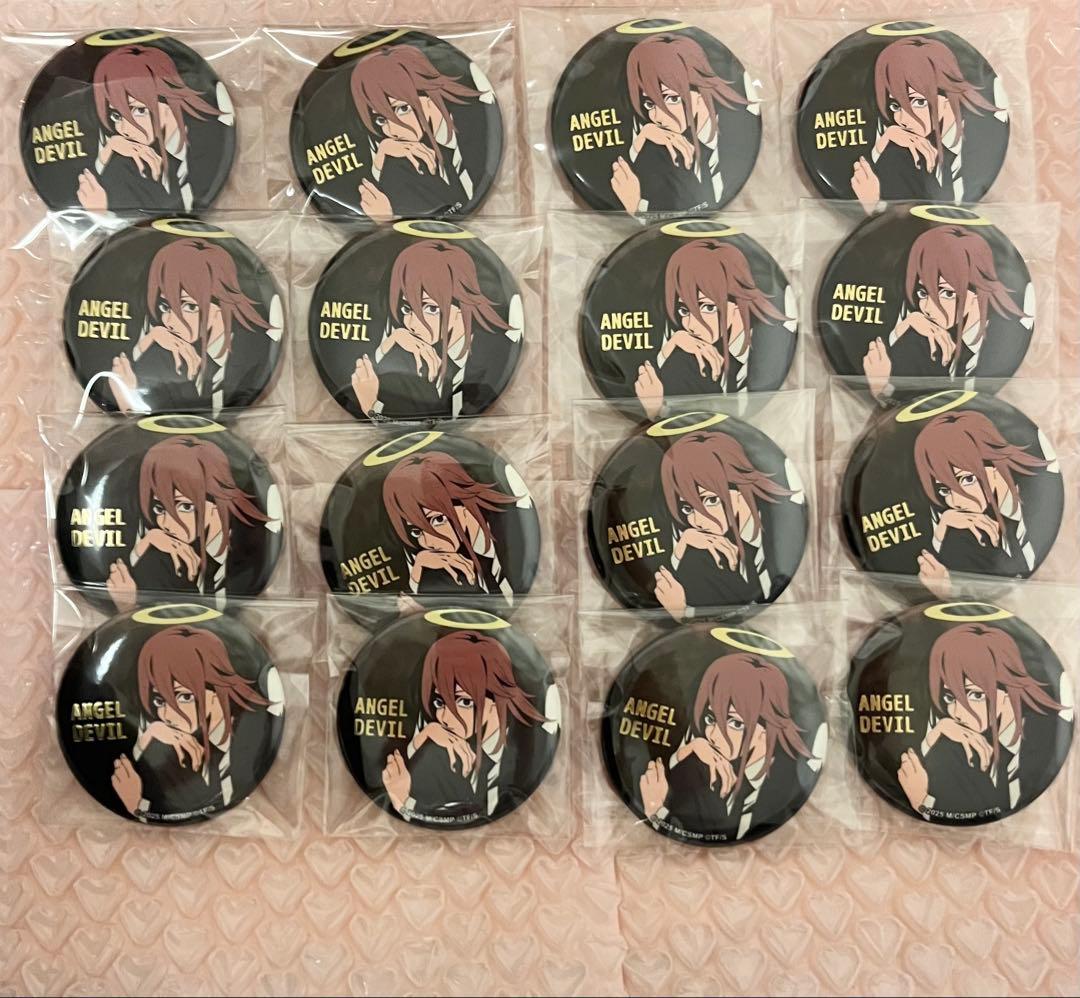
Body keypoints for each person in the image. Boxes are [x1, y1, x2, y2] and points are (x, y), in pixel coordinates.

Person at [638, 652, 824, 841]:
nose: (713, 735)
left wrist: (657, 812)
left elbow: (716, 836)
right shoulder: (707, 767)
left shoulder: (785, 787)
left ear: (769, 726)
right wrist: (686, 751)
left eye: (735, 723)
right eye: (711, 719)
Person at [896, 623, 1072, 819]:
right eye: (950, 697)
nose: (957, 713)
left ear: (1011, 687)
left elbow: (999, 808)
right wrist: (935, 734)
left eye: (975, 695)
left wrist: (922, 803)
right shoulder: (969, 745)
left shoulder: (1047, 740)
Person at [381, 630, 558, 822]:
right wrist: (424, 736)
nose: (445, 717)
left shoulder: (528, 752)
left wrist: (404, 803)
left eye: (464, 702)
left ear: (498, 697)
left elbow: (482, 814)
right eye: (440, 702)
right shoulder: (447, 749)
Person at [110, 624, 283, 821]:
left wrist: (136, 806)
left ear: (218, 689)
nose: (167, 715)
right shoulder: (176, 743)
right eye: (159, 701)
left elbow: (223, 804)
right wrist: (148, 737)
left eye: (184, 697)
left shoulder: (250, 738)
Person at [105, 435, 281, 610]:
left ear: (218, 499)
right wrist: (145, 543)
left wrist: (127, 608)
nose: (166, 523)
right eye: (159, 508)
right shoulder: (174, 557)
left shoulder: (253, 552)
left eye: (185, 507)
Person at [350, 239, 521, 419]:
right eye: (406, 308)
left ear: (464, 303)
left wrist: (371, 406)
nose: (412, 324)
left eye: (431, 309)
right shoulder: (419, 356)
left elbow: (442, 420)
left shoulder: (495, 356)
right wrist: (389, 344)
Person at [109, 237, 281, 413]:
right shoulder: (171, 355)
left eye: (190, 307)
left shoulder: (254, 356)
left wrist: (128, 405)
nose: (169, 321)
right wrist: (147, 341)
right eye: (165, 306)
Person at [861, 225, 1031, 397]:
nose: (928, 308)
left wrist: (880, 390)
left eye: (947, 293)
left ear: (980, 289)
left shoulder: (1003, 343)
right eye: (923, 292)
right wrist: (902, 329)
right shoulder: (921, 334)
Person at [633, 238, 793, 418]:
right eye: (684, 310)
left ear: (739, 298)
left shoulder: (771, 348)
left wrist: (655, 412)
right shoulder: (695, 359)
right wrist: (669, 347)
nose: (691, 325)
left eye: (708, 307)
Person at [653, 430, 802, 619]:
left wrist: (683, 612)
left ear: (741, 485)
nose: (698, 521)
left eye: (711, 500)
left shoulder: (783, 532)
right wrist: (680, 549)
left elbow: (750, 604)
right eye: (688, 508)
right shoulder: (710, 548)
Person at [850, 37, 1006, 208]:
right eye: (895, 105)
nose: (902, 120)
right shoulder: (907, 149)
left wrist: (872, 206)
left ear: (949, 93)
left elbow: (949, 210)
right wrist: (883, 143)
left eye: (918, 102)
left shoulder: (986, 141)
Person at [610, 33, 756, 215]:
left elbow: (704, 206)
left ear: (702, 89)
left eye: (671, 99)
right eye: (649, 103)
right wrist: (640, 141)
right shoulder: (662, 144)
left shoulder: (740, 135)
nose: (657, 117)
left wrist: (635, 207)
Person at [77, 44, 233, 214]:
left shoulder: (212, 144)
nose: (124, 129)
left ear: (172, 99)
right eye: (116, 115)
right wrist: (106, 154)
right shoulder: (134, 160)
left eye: (139, 110)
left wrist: (103, 213)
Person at [348, 44, 495, 220]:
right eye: (381, 119)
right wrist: (380, 158)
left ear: (430, 92)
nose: (393, 131)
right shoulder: (408, 156)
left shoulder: (480, 124)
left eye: (402, 109)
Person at [912, 410, 1054, 591]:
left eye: (967, 479)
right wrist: (941, 532)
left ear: (995, 464)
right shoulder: (956, 523)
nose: (956, 501)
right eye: (945, 489)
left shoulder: (1041, 495)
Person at [382, 451, 530, 601]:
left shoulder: (516, 536)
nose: (428, 542)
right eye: (416, 530)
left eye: (438, 519)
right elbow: (405, 610)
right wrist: (416, 574)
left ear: (465, 503)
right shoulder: (425, 559)